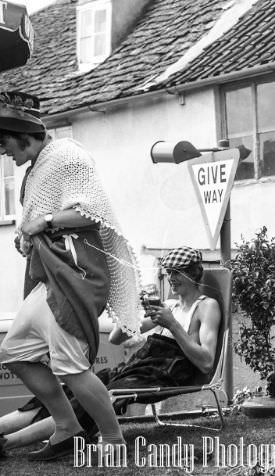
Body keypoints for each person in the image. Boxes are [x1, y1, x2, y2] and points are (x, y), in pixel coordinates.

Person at [0, 91, 140, 461]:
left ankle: (112, 439)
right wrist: (28, 237)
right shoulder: (35, 172)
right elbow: (37, 227)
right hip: (50, 278)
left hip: (76, 275)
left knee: (71, 366)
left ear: (23, 134)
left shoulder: (68, 157)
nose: (4, 152)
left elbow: (94, 214)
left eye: (5, 142)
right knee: (14, 351)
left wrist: (42, 223)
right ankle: (67, 427)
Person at [0, 246, 221, 457]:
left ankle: (9, 442)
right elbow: (116, 338)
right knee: (70, 391)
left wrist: (172, 324)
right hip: (137, 367)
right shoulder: (170, 306)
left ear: (194, 273)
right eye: (169, 271)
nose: (171, 277)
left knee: (100, 398)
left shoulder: (206, 306)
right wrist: (132, 310)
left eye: (177, 272)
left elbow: (206, 363)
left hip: (167, 372)